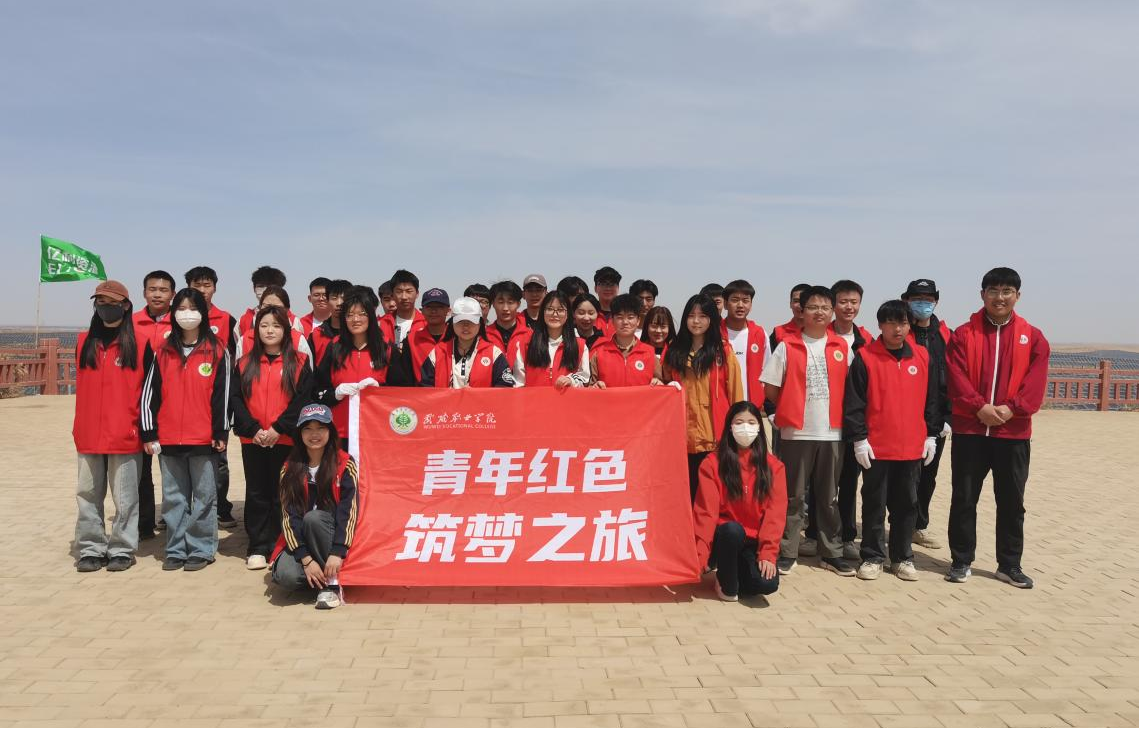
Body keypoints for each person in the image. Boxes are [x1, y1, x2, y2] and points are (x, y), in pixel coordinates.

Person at [945, 267, 1049, 588]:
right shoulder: (964, 334)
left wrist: (1010, 408)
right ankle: (961, 560)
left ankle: (1009, 564)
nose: (999, 297)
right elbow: (956, 377)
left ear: (1017, 296)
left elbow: (1035, 383)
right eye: (993, 290)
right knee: (964, 498)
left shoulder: (1033, 337)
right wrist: (979, 406)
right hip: (970, 431)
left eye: (1007, 291)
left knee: (1012, 502)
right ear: (982, 295)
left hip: (1013, 433)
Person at [844, 300, 941, 582]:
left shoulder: (922, 356)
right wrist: (859, 439)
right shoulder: (865, 357)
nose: (897, 329)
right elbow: (854, 403)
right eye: (891, 323)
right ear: (880, 325)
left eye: (903, 323)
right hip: (877, 447)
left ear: (909, 326)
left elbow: (932, 399)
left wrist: (931, 435)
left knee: (907, 504)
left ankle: (902, 557)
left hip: (911, 447)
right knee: (874, 503)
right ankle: (873, 556)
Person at [761, 285, 854, 577]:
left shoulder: (842, 347)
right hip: (796, 434)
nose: (819, 312)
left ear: (832, 312)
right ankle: (787, 551)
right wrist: (790, 408)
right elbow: (771, 389)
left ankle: (832, 553)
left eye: (825, 307)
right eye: (813, 307)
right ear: (802, 311)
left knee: (828, 497)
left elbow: (853, 387)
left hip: (832, 433)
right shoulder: (787, 346)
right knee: (792, 497)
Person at [141, 287, 231, 572]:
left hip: (204, 438)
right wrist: (149, 433)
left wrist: (221, 432)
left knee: (205, 497)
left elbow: (223, 395)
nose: (187, 314)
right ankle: (176, 548)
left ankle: (202, 548)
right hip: (168, 439)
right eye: (181, 308)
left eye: (193, 308)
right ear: (173, 313)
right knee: (174, 498)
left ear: (202, 313)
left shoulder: (218, 350)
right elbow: (149, 394)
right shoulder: (162, 351)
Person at [231, 305, 313, 571]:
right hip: (253, 440)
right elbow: (236, 399)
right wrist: (253, 430)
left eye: (276, 326)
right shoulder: (244, 363)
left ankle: (281, 545)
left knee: (283, 493)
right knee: (257, 492)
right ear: (256, 330)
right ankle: (257, 546)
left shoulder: (299, 362)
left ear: (286, 331)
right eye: (264, 325)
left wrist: (278, 429)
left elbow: (302, 400)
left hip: (285, 439)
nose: (270, 331)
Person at [74, 280, 146, 572]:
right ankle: (91, 547)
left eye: (112, 302)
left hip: (125, 432)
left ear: (125, 305)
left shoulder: (141, 342)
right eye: (100, 302)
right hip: (88, 432)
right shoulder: (83, 341)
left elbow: (150, 391)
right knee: (87, 495)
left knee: (125, 497)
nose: (105, 307)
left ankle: (122, 548)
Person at [804, 279, 872, 560]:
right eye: (843, 302)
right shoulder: (821, 335)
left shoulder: (866, 341)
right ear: (833, 306)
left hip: (852, 423)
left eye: (854, 302)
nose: (848, 307)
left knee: (848, 483)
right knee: (819, 483)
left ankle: (846, 537)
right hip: (822, 421)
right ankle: (813, 534)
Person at [693, 401, 788, 601]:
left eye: (751, 422)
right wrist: (700, 556)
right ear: (730, 427)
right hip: (724, 537)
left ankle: (734, 571)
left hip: (752, 541)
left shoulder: (774, 467)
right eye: (739, 422)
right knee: (732, 531)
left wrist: (768, 554)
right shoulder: (712, 463)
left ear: (759, 427)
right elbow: (706, 512)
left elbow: (775, 515)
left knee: (766, 584)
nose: (745, 427)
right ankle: (724, 579)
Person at [271, 404, 359, 610]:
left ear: (331, 431)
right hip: (303, 542)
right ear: (299, 433)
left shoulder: (345, 464)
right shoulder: (289, 468)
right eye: (308, 429)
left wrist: (338, 551)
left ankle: (332, 585)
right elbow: (288, 518)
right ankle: (318, 573)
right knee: (285, 576)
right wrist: (306, 560)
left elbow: (349, 512)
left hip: (333, 539)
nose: (314, 434)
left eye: (321, 428)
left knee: (314, 518)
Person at [659, 294, 744, 502]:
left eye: (703, 316)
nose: (696, 321)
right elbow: (664, 387)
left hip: (715, 437)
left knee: (712, 495)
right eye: (691, 316)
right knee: (685, 494)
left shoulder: (723, 352)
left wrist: (737, 431)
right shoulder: (673, 351)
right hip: (682, 437)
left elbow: (736, 396)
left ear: (712, 320)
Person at [184, 265, 238, 528]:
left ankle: (220, 507)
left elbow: (234, 360)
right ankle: (184, 510)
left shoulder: (226, 320)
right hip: (185, 402)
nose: (202, 290)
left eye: (207, 285)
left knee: (219, 459)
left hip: (217, 402)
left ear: (215, 288)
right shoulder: (178, 318)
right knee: (182, 461)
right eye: (197, 285)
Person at [901, 278, 953, 550]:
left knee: (928, 475)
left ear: (936, 301)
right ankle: (900, 526)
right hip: (904, 418)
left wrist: (949, 418)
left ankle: (918, 526)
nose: (923, 304)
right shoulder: (899, 331)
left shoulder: (946, 335)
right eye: (917, 299)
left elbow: (956, 377)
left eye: (928, 299)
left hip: (936, 420)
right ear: (906, 301)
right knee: (904, 476)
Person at [315, 288, 399, 446]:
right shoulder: (334, 347)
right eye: (350, 315)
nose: (356, 319)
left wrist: (380, 390)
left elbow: (402, 392)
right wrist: (335, 394)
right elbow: (316, 390)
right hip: (339, 433)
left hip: (377, 433)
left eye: (362, 314)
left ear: (371, 316)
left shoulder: (386, 348)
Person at [132, 270, 175, 540]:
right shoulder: (131, 322)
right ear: (144, 292)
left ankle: (173, 519)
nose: (157, 294)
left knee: (174, 470)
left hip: (173, 405)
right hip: (140, 405)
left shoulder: (181, 320)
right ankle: (144, 524)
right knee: (141, 469)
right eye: (152, 289)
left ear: (172, 293)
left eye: (163, 290)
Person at [421, 297, 515, 388]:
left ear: (479, 324)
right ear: (452, 323)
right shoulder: (437, 353)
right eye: (461, 321)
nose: (466, 326)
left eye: (471, 321)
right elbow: (425, 388)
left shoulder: (494, 353)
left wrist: (475, 395)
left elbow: (505, 387)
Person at [513, 291, 590, 388]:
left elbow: (584, 378)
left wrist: (571, 380)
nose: (555, 314)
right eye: (550, 309)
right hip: (533, 398)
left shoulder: (580, 346)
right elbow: (518, 383)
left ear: (567, 314)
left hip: (565, 398)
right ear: (542, 312)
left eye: (560, 310)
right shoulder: (525, 344)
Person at [590, 294, 661, 388]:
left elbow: (663, 386)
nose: (625, 322)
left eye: (630, 317)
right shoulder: (598, 354)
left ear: (638, 321)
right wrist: (594, 386)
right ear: (612, 321)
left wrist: (658, 383)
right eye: (620, 317)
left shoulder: (650, 353)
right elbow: (588, 387)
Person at [721, 279, 770, 410]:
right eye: (735, 300)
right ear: (725, 304)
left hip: (751, 408)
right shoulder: (714, 333)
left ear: (751, 305)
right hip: (722, 406)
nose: (740, 305)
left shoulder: (760, 334)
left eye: (745, 300)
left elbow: (767, 373)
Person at [398, 287, 451, 385]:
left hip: (451, 393)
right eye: (429, 307)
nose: (433, 311)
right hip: (421, 393)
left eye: (439, 307)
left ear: (448, 311)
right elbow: (406, 378)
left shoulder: (457, 338)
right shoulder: (411, 340)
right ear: (422, 310)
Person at [309, 278, 352, 366]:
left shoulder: (359, 333)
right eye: (334, 298)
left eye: (344, 298)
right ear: (327, 301)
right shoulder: (316, 335)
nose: (339, 303)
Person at [379, 269, 426, 350]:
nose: (404, 297)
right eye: (399, 291)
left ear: (417, 294)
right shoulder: (380, 325)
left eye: (409, 291)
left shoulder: (426, 324)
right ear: (393, 294)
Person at [238, 266, 287, 336]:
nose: (265, 290)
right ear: (254, 288)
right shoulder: (242, 321)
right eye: (261, 286)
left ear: (280, 289)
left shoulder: (292, 320)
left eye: (270, 286)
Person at [485, 280, 530, 355]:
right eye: (500, 302)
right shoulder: (484, 336)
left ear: (518, 304)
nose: (505, 308)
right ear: (493, 304)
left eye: (510, 302)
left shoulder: (529, 336)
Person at [770, 283, 810, 350]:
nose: (800, 305)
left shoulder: (824, 332)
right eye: (796, 301)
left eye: (804, 301)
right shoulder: (778, 333)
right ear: (790, 304)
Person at [593, 266, 621, 334]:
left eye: (612, 284)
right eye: (603, 284)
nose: (608, 288)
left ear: (618, 288)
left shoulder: (625, 315)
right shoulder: (589, 314)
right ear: (595, 288)